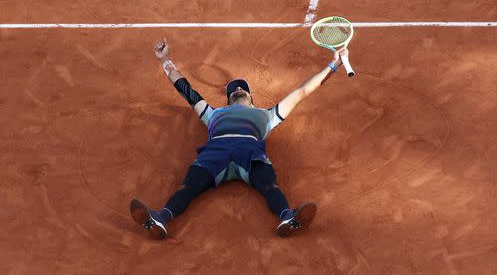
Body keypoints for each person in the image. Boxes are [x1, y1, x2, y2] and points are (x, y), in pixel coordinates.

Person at [129, 38, 349, 239]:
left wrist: (334, 65)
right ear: (228, 100)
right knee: (187, 187)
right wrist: (166, 61)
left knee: (270, 185)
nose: (238, 90)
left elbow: (302, 92)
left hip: (249, 150)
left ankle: (288, 217)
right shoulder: (212, 113)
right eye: (234, 90)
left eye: (242, 89)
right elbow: (187, 91)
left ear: (251, 98)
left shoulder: (268, 115)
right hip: (217, 151)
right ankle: (160, 219)